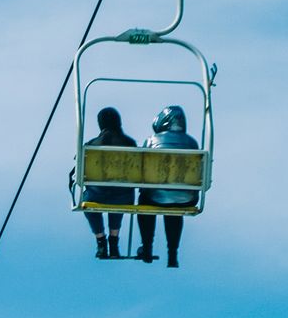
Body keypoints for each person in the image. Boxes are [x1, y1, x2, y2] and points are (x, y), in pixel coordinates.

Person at [136, 104, 199, 268]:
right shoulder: (192, 143)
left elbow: (141, 170)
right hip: (186, 198)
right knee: (175, 206)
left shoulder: (151, 141)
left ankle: (147, 247)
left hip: (155, 197)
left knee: (146, 201)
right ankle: (173, 253)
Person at [75, 106, 136, 259]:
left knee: (88, 199)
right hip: (122, 197)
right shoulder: (130, 143)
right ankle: (113, 240)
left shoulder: (91, 145)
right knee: (120, 192)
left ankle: (100, 240)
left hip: (97, 195)